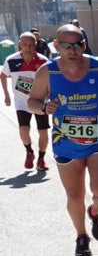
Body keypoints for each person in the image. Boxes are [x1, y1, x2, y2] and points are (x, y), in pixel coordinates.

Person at [27, 23, 98, 256]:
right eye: (66, 45)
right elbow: (33, 101)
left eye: (78, 44)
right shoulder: (47, 72)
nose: (73, 50)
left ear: (84, 44)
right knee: (74, 195)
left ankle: (95, 211)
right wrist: (43, 107)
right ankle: (82, 236)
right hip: (65, 143)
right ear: (56, 46)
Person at [1, 31, 50, 171]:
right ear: (19, 45)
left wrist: (51, 95)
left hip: (40, 101)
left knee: (43, 131)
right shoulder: (11, 60)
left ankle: (41, 158)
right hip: (21, 102)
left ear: (35, 45)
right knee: (23, 129)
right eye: (25, 44)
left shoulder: (43, 61)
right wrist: (7, 95)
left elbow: (51, 80)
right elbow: (3, 76)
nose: (28, 47)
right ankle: (29, 151)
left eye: (31, 44)